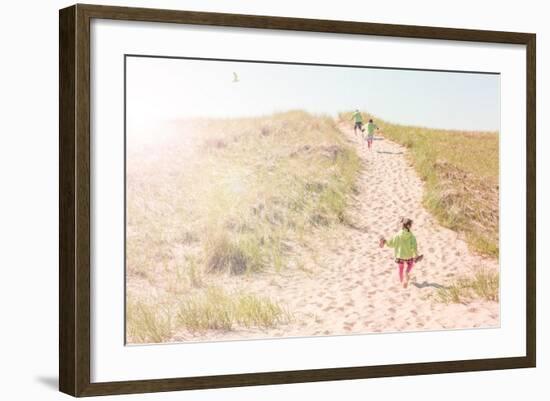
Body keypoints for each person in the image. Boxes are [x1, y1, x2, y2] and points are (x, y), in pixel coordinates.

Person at [379, 218, 423, 288]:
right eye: (411, 225)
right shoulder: (412, 236)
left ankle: (402, 281)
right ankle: (407, 273)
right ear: (408, 226)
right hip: (409, 256)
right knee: (410, 265)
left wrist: (386, 242)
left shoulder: (398, 235)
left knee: (400, 269)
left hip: (399, 257)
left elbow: (391, 244)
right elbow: (414, 247)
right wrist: (416, 255)